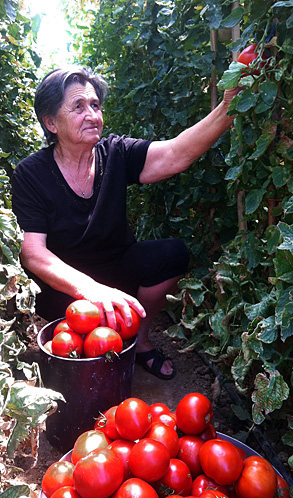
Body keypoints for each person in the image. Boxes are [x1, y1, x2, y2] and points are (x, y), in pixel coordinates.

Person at [12, 66, 240, 380]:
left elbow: (175, 153)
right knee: (80, 365)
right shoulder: (30, 173)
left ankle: (140, 340)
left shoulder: (116, 153)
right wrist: (89, 290)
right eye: (78, 107)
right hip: (64, 290)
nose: (92, 114)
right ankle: (93, 345)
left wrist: (228, 107)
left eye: (95, 105)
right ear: (50, 123)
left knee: (172, 254)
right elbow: (34, 253)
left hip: (118, 275)